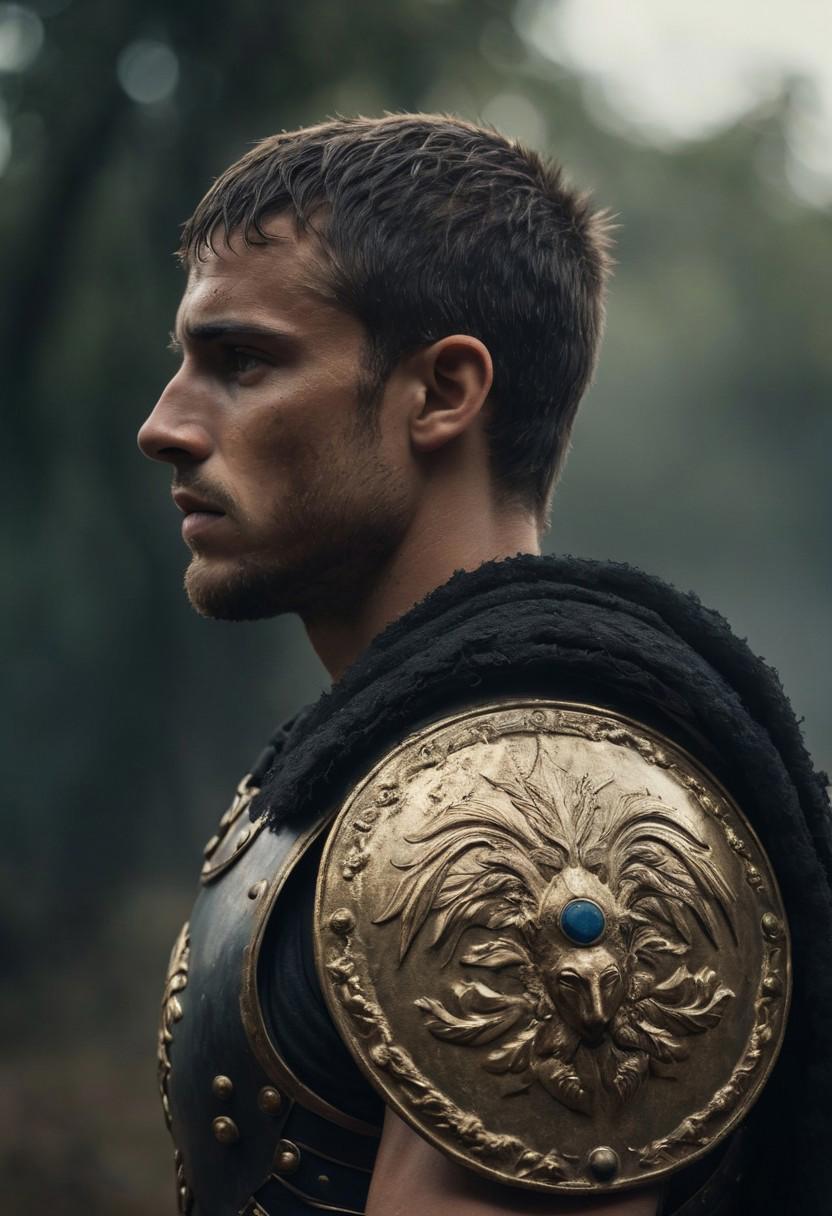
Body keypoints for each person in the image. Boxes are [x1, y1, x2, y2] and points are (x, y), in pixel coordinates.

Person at [138, 115, 831, 1216]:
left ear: (443, 392)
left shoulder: (533, 811)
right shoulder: (407, 767)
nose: (164, 424)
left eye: (240, 363)